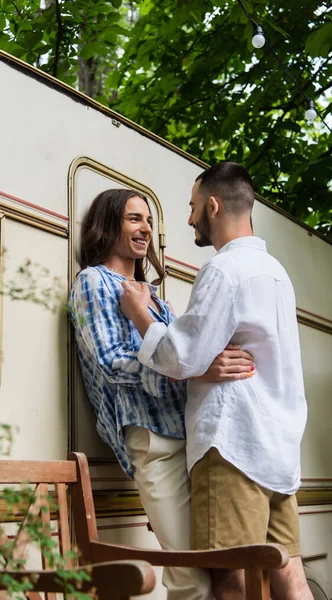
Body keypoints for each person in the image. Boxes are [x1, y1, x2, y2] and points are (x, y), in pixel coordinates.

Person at [120, 162, 313, 600]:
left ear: (212, 205)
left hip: (233, 446)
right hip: (279, 450)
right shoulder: (277, 273)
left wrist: (140, 314)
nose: (188, 219)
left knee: (231, 579)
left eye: (191, 208)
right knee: (290, 577)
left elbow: (181, 355)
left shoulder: (224, 271)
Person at [68, 188, 255, 600]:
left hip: (191, 441)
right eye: (134, 219)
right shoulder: (93, 282)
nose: (146, 229)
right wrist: (192, 372)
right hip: (153, 441)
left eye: (149, 221)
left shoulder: (154, 297)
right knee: (191, 579)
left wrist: (199, 367)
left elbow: (182, 359)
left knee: (216, 569)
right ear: (108, 224)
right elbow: (110, 362)